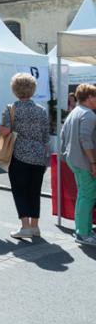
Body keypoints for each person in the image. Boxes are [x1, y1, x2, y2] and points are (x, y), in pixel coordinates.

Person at [0, 72, 49, 240]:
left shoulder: (11, 108)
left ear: (15, 90)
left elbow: (4, 132)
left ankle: (25, 227)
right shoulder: (41, 110)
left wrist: (2, 128)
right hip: (39, 156)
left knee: (19, 190)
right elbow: (45, 137)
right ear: (33, 89)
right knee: (34, 191)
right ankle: (35, 226)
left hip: (19, 155)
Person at [60, 83, 96, 245]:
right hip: (83, 161)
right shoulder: (89, 114)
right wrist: (93, 162)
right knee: (87, 196)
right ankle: (82, 233)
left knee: (84, 195)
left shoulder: (75, 112)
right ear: (89, 97)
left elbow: (63, 135)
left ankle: (85, 231)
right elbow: (85, 139)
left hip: (74, 160)